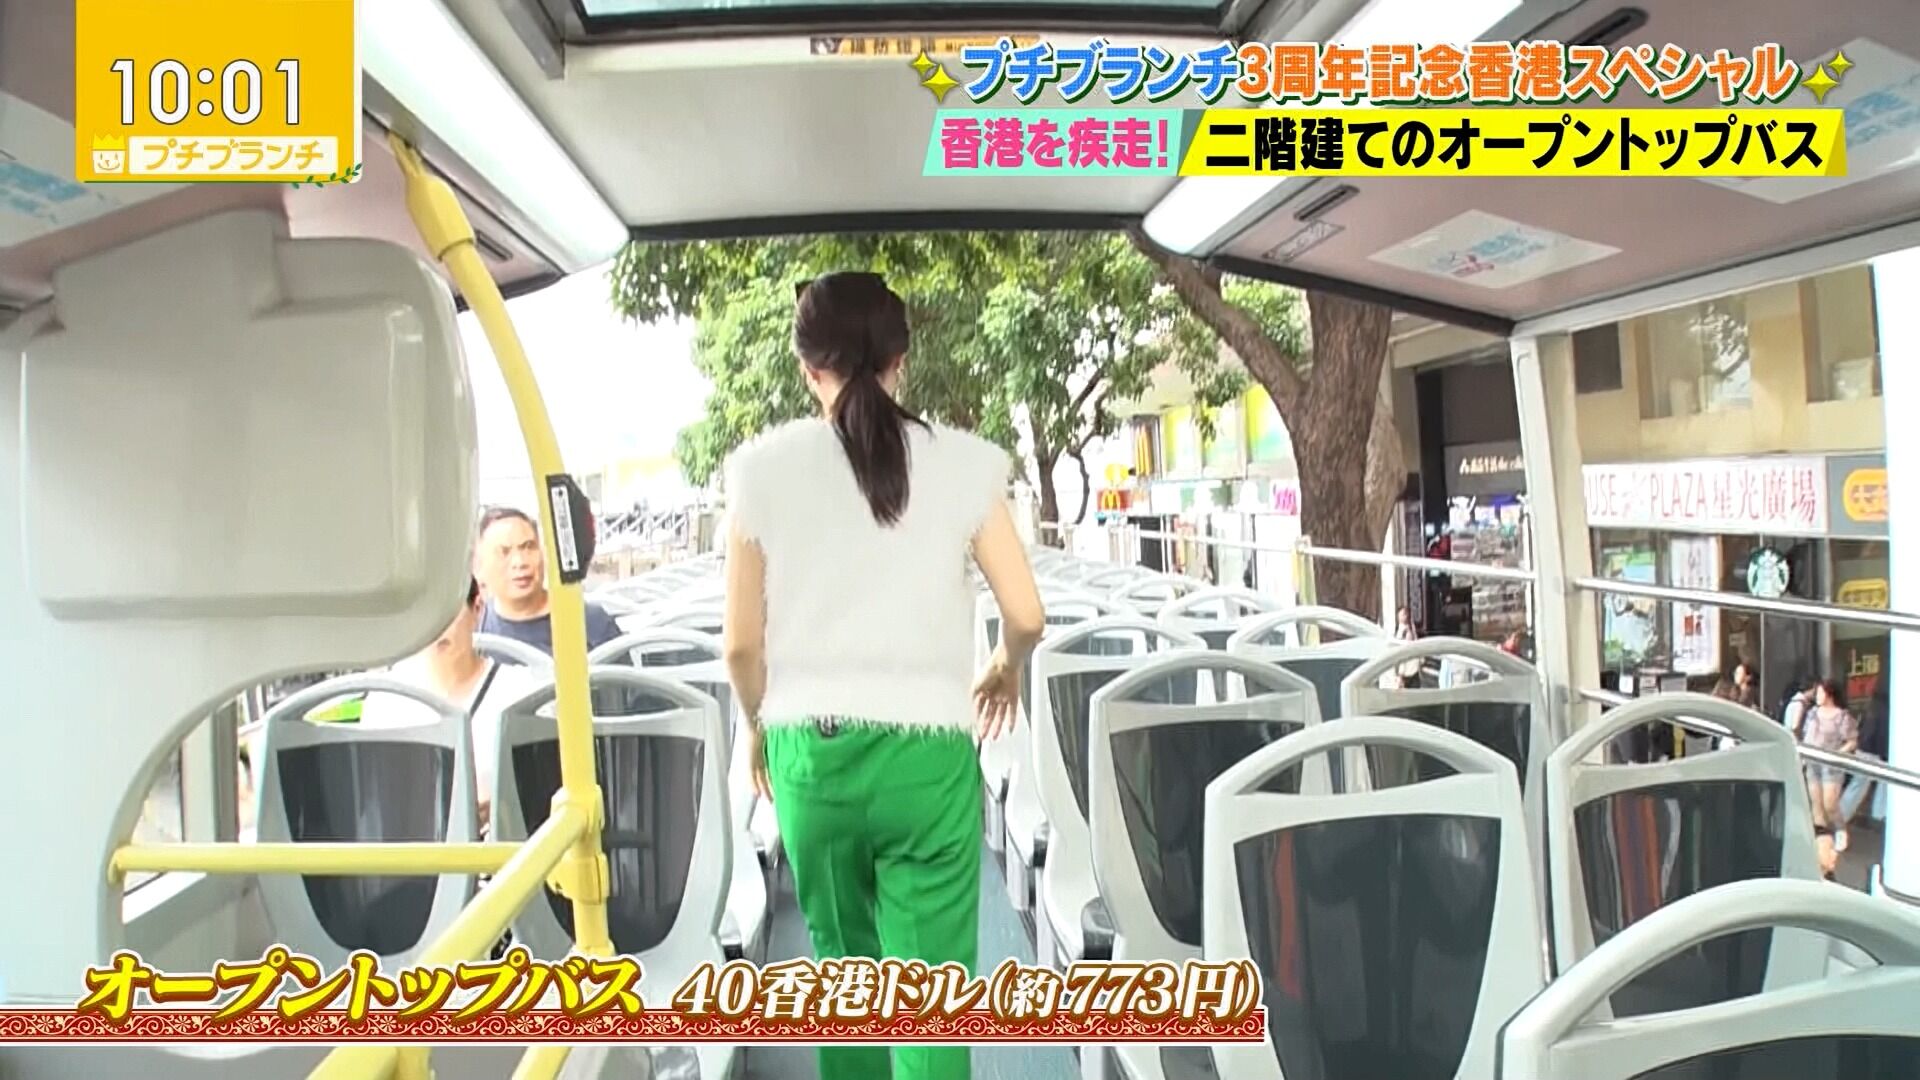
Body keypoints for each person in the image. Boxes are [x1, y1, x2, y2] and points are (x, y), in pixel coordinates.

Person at [722, 271, 1044, 1080]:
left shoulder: (760, 471)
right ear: (902, 359)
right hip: (927, 759)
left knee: (847, 983)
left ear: (808, 368)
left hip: (812, 753)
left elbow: (740, 647)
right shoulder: (965, 465)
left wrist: (759, 726)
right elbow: (1027, 615)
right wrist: (1002, 668)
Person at [359, 576, 542, 833]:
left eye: (448, 613)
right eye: (425, 615)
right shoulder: (386, 698)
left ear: (477, 609)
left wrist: (502, 806)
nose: (438, 628)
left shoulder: (519, 692)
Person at [473, 505, 622, 657]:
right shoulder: (474, 631)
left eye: (528, 547)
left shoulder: (592, 622)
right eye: (503, 552)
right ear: (479, 566)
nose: (520, 562)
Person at [1799, 678, 1860, 852]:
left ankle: (1840, 830)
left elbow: (1852, 741)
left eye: (1820, 692)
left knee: (1830, 803)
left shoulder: (1841, 716)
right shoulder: (1812, 713)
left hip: (1831, 764)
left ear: (1830, 694)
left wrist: (1839, 753)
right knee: (1816, 803)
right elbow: (1806, 734)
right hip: (1812, 760)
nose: (1817, 696)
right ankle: (1821, 839)